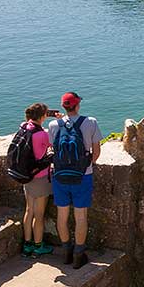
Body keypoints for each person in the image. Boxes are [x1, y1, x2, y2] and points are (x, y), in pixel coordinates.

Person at [43, 91, 101, 268]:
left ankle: (66, 252)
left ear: (63, 107)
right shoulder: (90, 122)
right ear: (77, 105)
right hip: (82, 176)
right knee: (80, 216)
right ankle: (78, 255)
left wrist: (61, 121)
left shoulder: (53, 124)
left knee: (62, 215)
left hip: (60, 175)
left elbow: (53, 148)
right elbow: (96, 151)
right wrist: (87, 165)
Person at [16, 103, 54, 256]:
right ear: (43, 116)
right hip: (39, 176)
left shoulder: (23, 128)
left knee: (29, 210)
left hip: (26, 175)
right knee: (39, 214)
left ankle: (27, 245)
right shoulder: (42, 135)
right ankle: (38, 245)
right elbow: (54, 144)